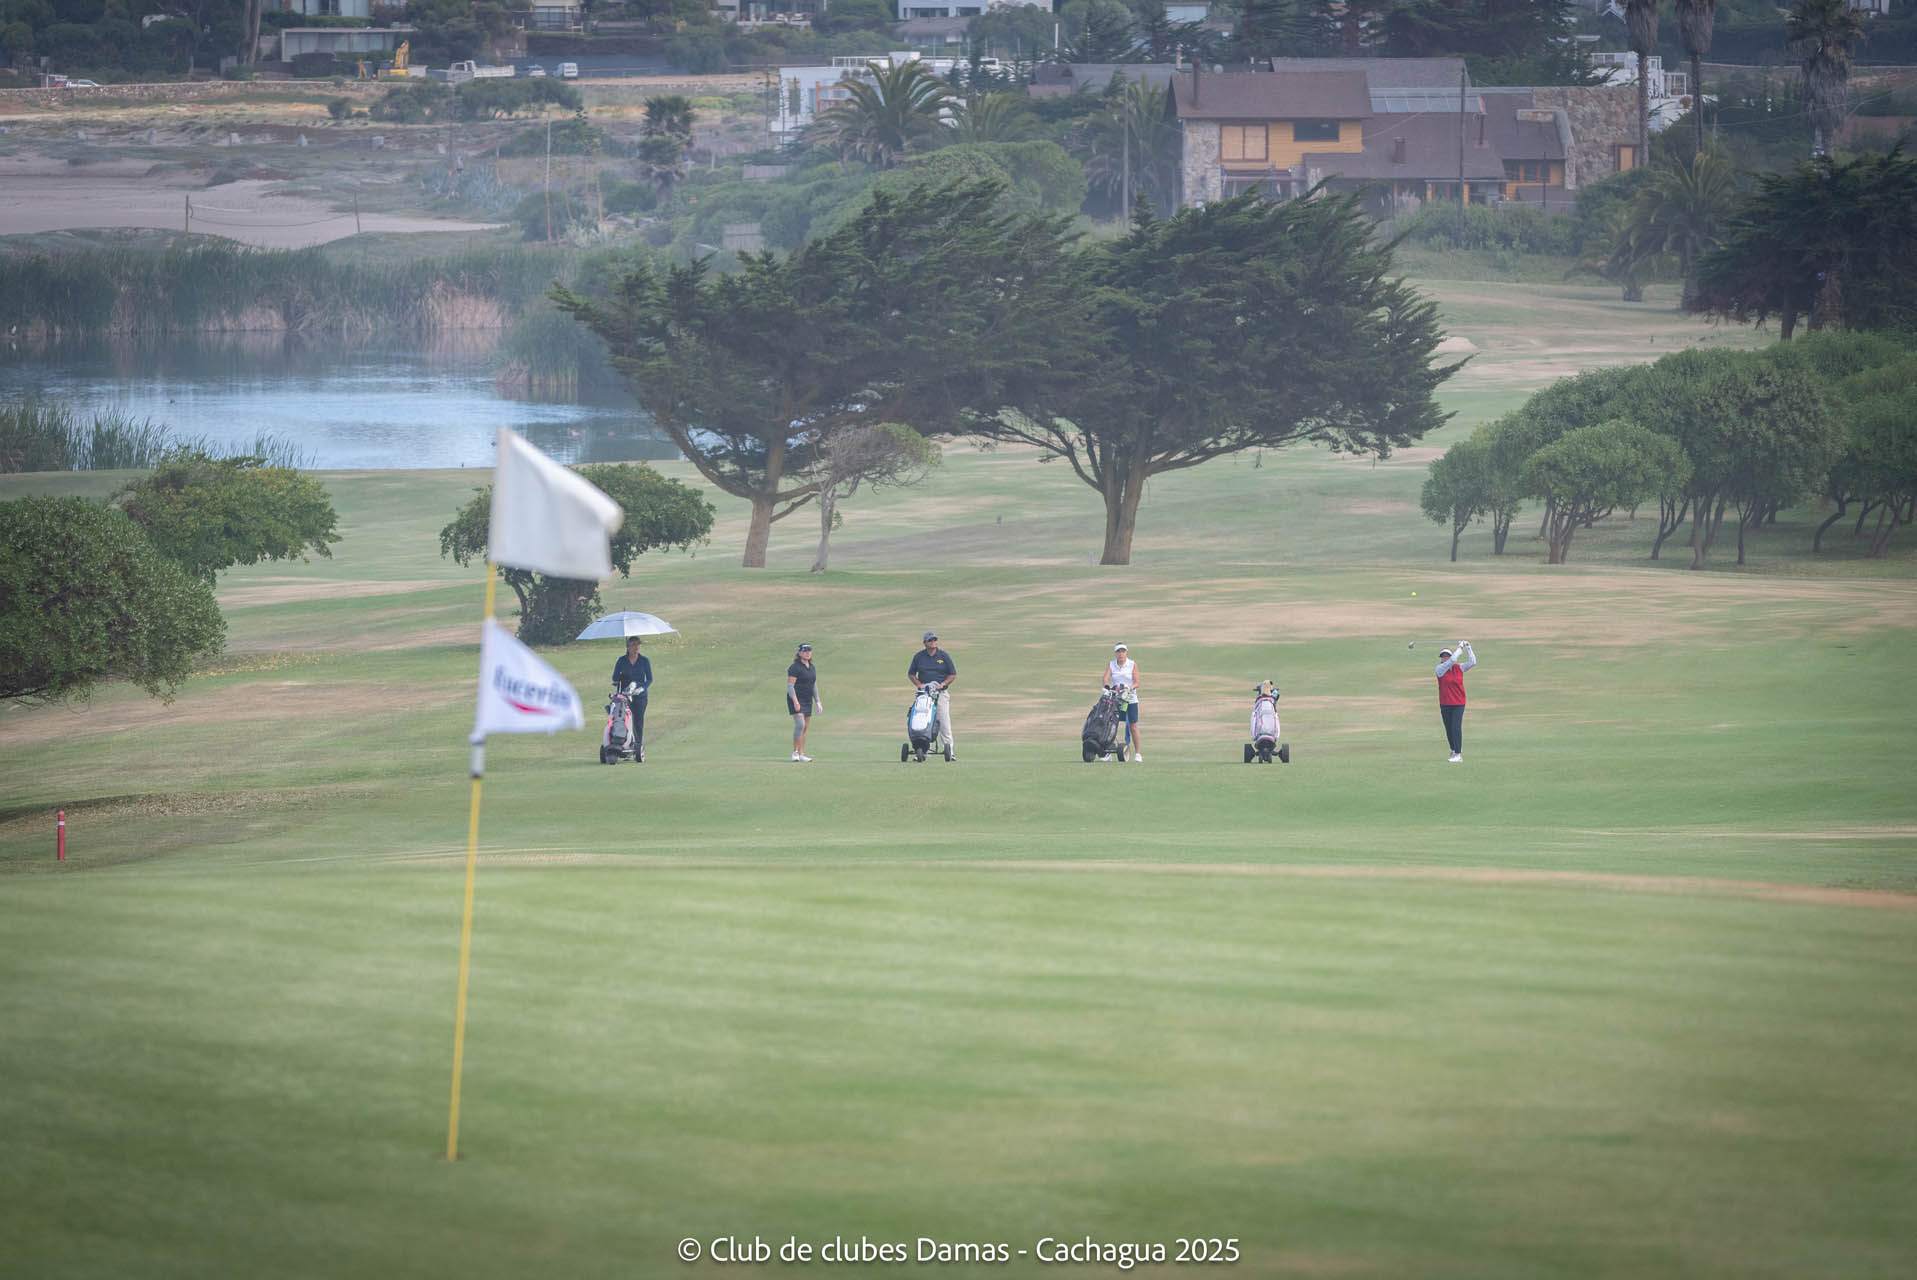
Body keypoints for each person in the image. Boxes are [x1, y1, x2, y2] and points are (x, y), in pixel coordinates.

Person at [907, 630, 958, 760]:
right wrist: (919, 684)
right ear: (925, 643)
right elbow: (911, 674)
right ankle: (923, 751)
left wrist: (943, 684)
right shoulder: (919, 657)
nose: (933, 642)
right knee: (923, 721)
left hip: (940, 693)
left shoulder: (943, 656)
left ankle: (949, 751)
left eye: (935, 640)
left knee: (944, 721)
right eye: (930, 640)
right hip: (924, 693)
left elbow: (952, 674)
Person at [611, 634, 652, 762]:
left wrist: (642, 687)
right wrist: (621, 683)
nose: (636, 647)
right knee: (625, 720)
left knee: (638, 722)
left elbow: (649, 679)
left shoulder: (644, 661)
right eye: (633, 644)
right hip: (625, 695)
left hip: (640, 696)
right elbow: (614, 678)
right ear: (628, 646)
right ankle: (625, 745)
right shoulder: (621, 660)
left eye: (638, 644)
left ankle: (637, 747)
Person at [1434, 641, 1475, 763]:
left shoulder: (1459, 668)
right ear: (1441, 659)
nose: (1445, 658)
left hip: (1459, 703)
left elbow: (1473, 662)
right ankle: (1453, 749)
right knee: (1449, 728)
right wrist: (1460, 648)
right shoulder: (1439, 669)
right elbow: (1452, 660)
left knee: (1456, 727)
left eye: (1447, 655)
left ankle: (1458, 754)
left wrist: (1468, 647)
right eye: (1443, 656)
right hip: (1445, 703)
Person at [1101, 642, 1143, 762]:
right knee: (1110, 725)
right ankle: (1108, 752)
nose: (1121, 654)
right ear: (1115, 653)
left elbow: (1137, 682)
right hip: (1115, 699)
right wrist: (1106, 686)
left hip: (1130, 699)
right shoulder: (1111, 664)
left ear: (1126, 652)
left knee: (1133, 726)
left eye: (1123, 651)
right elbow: (1105, 678)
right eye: (1118, 651)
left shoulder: (1132, 664)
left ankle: (1138, 754)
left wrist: (1129, 688)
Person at [785, 643, 821, 762]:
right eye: (805, 651)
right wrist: (795, 702)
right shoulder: (795, 667)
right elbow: (790, 686)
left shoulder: (811, 667)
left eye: (809, 651)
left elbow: (813, 684)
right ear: (799, 653)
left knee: (804, 728)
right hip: (795, 698)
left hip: (807, 700)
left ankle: (801, 754)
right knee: (800, 724)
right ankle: (795, 752)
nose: (807, 653)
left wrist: (818, 701)